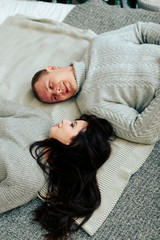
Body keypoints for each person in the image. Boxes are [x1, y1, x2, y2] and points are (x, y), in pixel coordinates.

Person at [0, 99, 114, 239]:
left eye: (72, 125)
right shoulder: (41, 119)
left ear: (73, 144)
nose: (65, 120)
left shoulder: (29, 180)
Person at [31, 22, 160, 145]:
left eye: (51, 86)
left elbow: (141, 30)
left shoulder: (98, 43)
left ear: (52, 68)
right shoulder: (91, 105)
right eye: (54, 97)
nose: (57, 92)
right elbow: (141, 132)